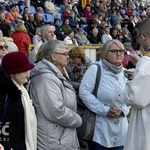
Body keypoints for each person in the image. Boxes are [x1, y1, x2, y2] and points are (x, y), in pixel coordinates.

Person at [29, 40, 82, 149]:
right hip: (54, 141)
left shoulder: (56, 73)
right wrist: (78, 120)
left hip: (60, 137)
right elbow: (56, 112)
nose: (68, 57)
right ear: (54, 56)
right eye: (65, 54)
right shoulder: (46, 78)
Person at [79, 39, 129, 150]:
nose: (119, 54)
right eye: (114, 51)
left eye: (121, 51)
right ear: (105, 53)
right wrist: (104, 110)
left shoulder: (125, 72)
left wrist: (123, 110)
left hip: (121, 130)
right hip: (100, 129)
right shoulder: (95, 69)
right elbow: (84, 92)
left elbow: (130, 97)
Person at [0, 51, 37, 150]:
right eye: (24, 70)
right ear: (12, 73)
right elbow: (3, 123)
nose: (27, 74)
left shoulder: (22, 90)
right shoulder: (7, 94)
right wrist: (7, 146)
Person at [123, 18, 150, 150]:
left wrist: (129, 81)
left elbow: (135, 98)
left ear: (143, 37)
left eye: (138, 37)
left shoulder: (146, 62)